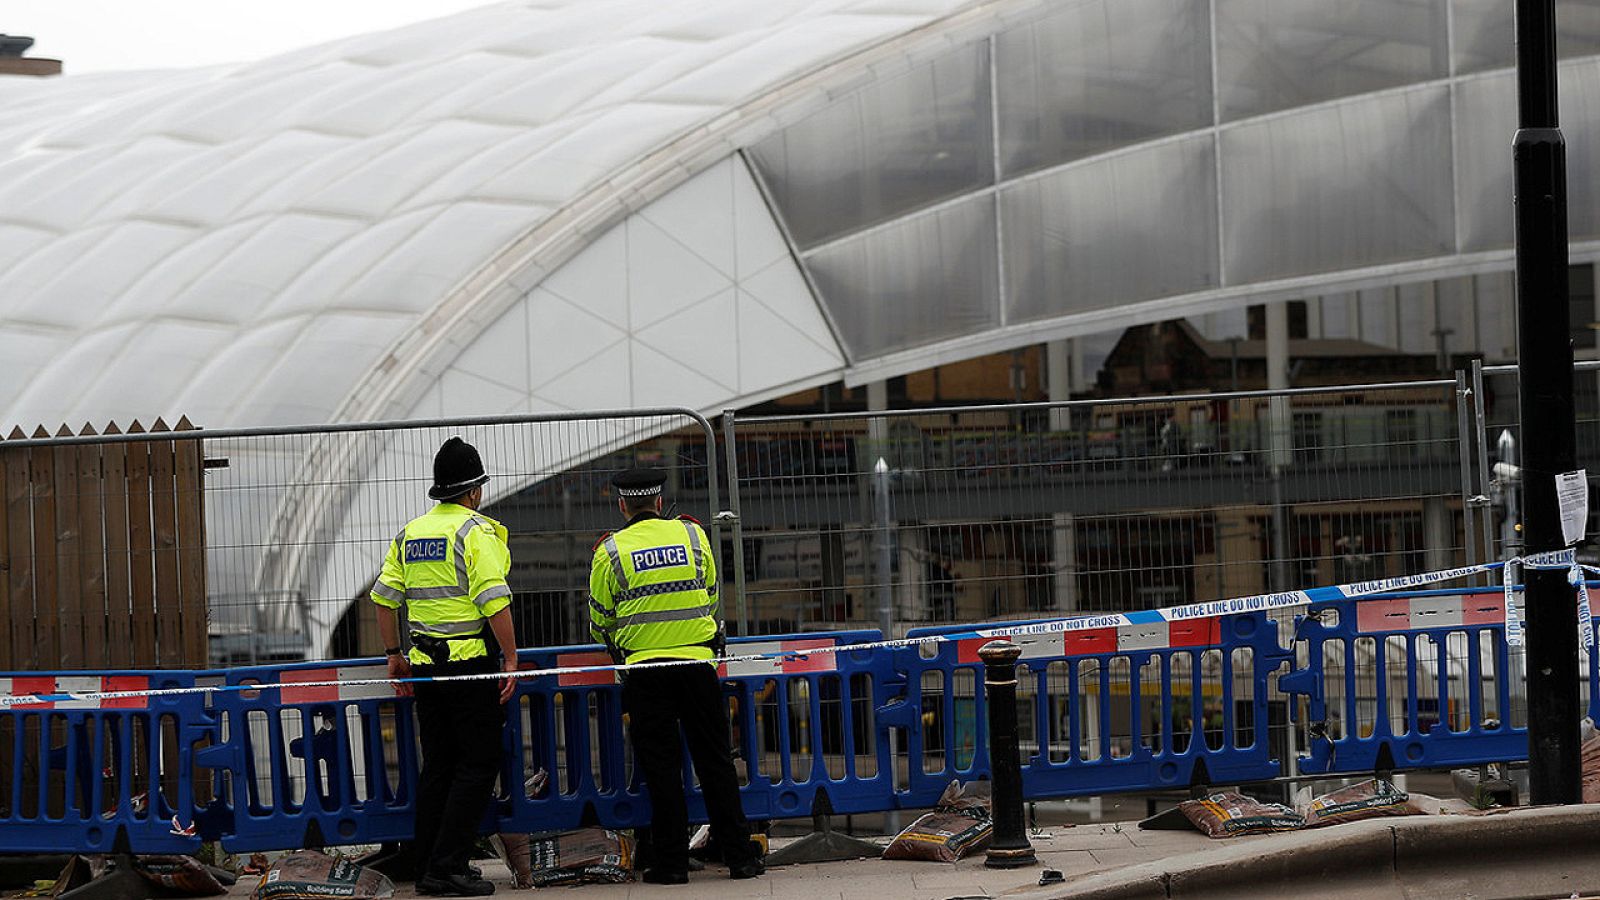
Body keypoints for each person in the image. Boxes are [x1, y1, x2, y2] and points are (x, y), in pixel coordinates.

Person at [589, 468, 764, 884]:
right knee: (716, 760)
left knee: (661, 768)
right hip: (698, 665)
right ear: (660, 503)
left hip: (645, 672)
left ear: (622, 505)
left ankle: (671, 864)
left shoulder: (609, 551)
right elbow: (712, 596)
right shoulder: (692, 537)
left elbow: (599, 620)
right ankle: (740, 857)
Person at [371, 437, 519, 897]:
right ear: (474, 491)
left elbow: (382, 599)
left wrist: (394, 653)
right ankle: (447, 867)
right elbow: (494, 601)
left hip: (424, 667)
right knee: (478, 764)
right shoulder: (475, 532)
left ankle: (429, 864)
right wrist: (511, 658)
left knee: (439, 765)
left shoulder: (410, 533)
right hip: (470, 665)